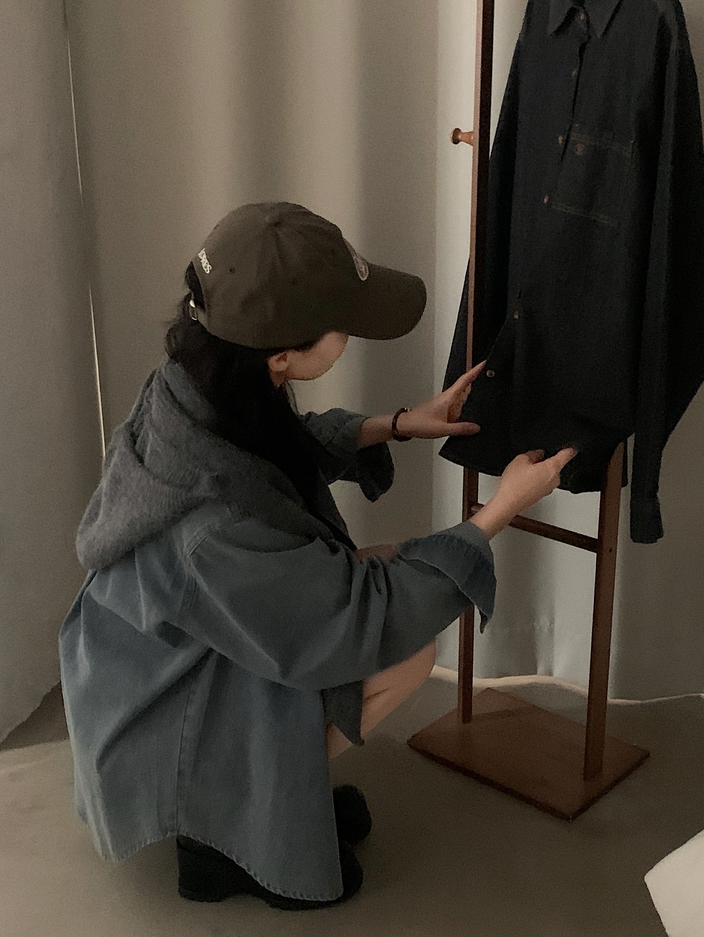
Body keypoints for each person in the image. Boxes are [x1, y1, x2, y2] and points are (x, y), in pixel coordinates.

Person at [59, 202, 575, 911]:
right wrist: (502, 508)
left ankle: (274, 783)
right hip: (160, 703)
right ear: (281, 355)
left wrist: (396, 425)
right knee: (404, 648)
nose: (353, 331)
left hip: (168, 645)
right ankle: (220, 834)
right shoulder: (214, 525)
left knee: (383, 573)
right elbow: (356, 617)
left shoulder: (201, 376)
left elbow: (269, 454)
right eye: (344, 323)